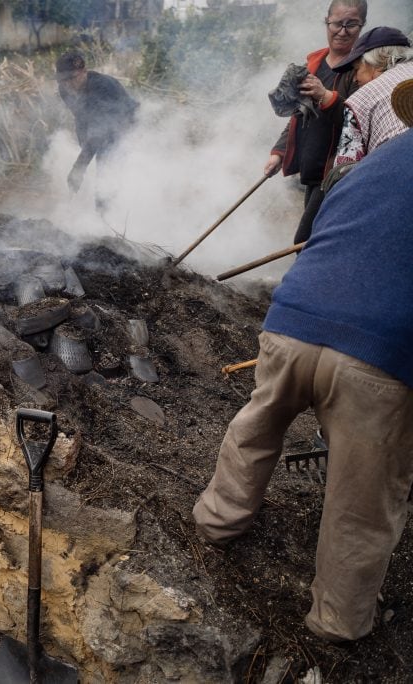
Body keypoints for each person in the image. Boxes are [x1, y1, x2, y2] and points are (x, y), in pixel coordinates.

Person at [193, 96, 413, 642]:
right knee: (364, 498)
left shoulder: (381, 159)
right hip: (378, 355)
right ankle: (339, 620)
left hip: (290, 322)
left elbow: (323, 227)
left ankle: (218, 520)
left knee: (258, 424)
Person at [264, 0, 365, 244]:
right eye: (337, 23)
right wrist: (278, 152)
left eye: (351, 24)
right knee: (316, 240)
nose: (342, 30)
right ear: (326, 23)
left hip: (338, 174)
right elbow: (299, 114)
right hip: (312, 170)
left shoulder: (362, 70)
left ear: (361, 26)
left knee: (306, 241)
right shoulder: (313, 65)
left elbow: (360, 123)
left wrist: (326, 97)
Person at [54, 51, 138, 214]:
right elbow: (80, 117)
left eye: (73, 78)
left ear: (84, 72)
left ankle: (105, 217)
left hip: (126, 125)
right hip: (102, 128)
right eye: (64, 80)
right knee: (98, 158)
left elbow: (100, 132)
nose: (68, 84)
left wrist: (78, 167)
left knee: (107, 169)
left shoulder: (103, 87)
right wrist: (83, 145)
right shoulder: (64, 90)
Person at [331, 27, 413, 168]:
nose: (355, 79)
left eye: (357, 70)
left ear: (378, 63)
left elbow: (344, 170)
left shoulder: (361, 99)